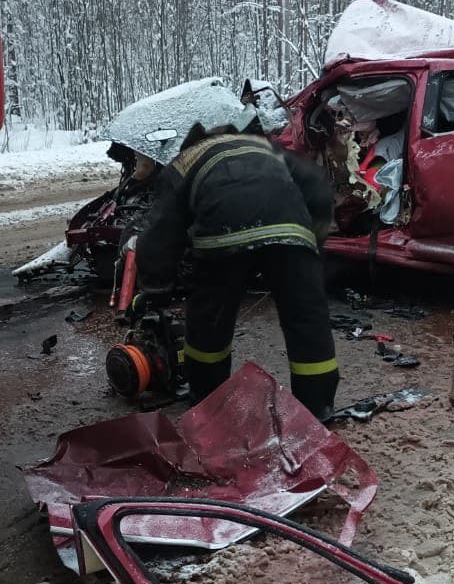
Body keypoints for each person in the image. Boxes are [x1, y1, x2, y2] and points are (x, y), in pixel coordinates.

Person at [134, 120, 340, 420]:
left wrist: (155, 289)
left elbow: (160, 231)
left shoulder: (185, 160)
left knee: (209, 325)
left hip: (222, 237)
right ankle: (317, 409)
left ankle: (208, 402)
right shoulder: (264, 147)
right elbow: (318, 187)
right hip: (292, 231)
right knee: (307, 322)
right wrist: (312, 243)